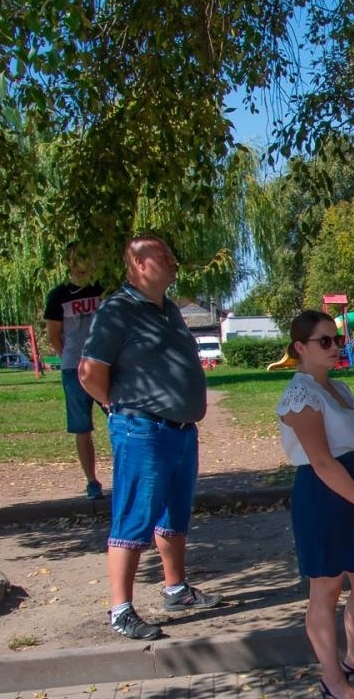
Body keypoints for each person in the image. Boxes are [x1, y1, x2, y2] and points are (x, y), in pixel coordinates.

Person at [79, 233, 222, 641]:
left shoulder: (170, 310)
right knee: (134, 518)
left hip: (179, 431)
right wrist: (121, 408)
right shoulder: (118, 310)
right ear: (140, 264)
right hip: (142, 429)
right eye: (164, 254)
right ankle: (120, 609)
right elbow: (90, 373)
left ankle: (175, 589)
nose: (173, 260)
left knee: (173, 515)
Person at [278, 310, 354, 699]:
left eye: (337, 339)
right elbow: (323, 461)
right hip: (322, 491)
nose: (335, 347)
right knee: (326, 587)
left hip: (352, 485)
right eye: (324, 341)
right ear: (300, 348)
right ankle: (332, 677)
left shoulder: (340, 388)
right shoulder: (300, 394)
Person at [43, 242, 108, 500]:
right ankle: (91, 481)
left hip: (105, 365)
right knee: (82, 428)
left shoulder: (103, 288)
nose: (83, 262)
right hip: (74, 368)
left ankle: (127, 475)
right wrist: (70, 359)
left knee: (119, 419)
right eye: (77, 257)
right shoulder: (58, 295)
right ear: (68, 262)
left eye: (87, 256)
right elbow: (54, 335)